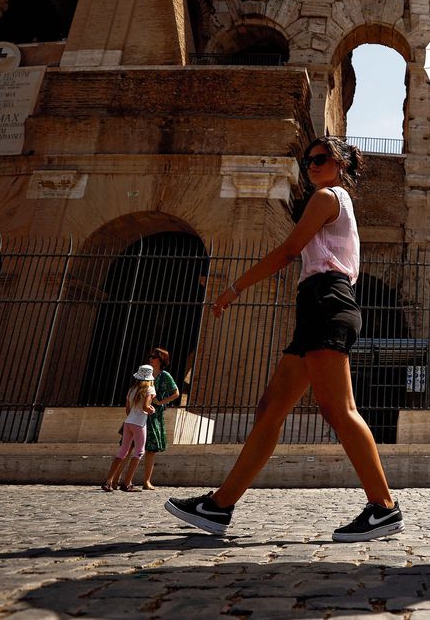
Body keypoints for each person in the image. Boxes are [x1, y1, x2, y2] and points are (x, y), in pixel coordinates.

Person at [165, 136, 403, 540]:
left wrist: (234, 288)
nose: (312, 165)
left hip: (327, 301)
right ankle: (220, 506)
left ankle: (383, 507)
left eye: (321, 159)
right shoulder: (337, 201)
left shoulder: (328, 197)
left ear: (341, 163)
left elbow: (290, 250)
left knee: (339, 409)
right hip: (318, 304)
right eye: (308, 160)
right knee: (270, 410)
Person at [103, 365, 156, 492]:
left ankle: (108, 481)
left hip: (128, 422)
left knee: (122, 451)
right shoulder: (150, 389)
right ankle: (127, 483)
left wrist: (133, 414)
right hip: (139, 423)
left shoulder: (132, 389)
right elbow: (145, 406)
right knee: (139, 452)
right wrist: (151, 410)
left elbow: (127, 409)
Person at [140, 347, 180, 490]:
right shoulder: (145, 373)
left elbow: (176, 393)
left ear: (161, 360)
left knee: (151, 449)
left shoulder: (165, 376)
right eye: (150, 356)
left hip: (154, 415)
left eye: (154, 357)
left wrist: (161, 402)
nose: (151, 359)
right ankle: (119, 480)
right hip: (139, 412)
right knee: (130, 446)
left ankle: (147, 481)